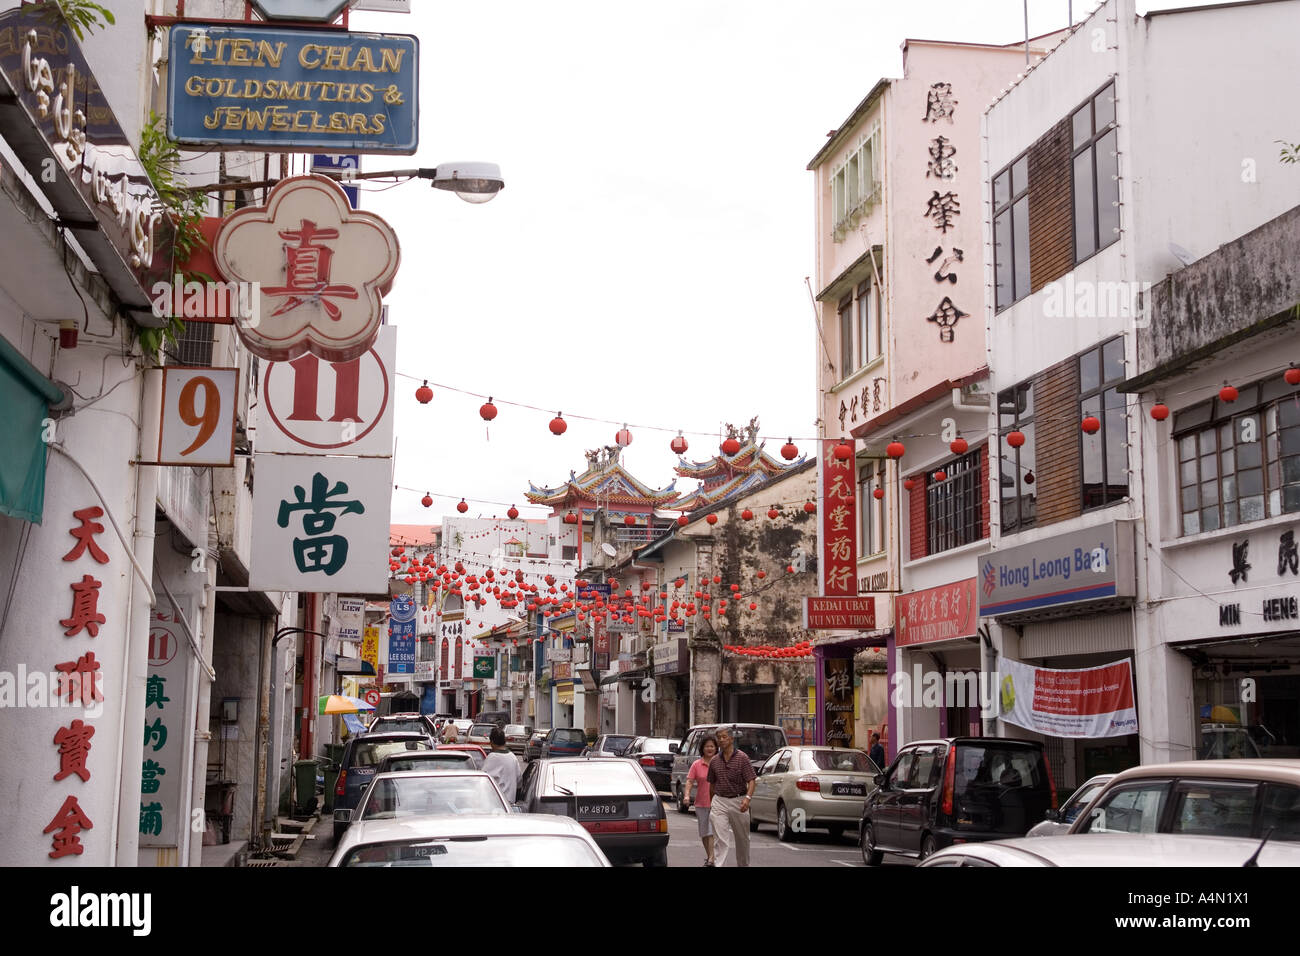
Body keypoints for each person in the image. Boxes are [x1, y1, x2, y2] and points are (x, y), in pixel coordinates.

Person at [707, 727, 756, 867]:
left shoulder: (742, 758)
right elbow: (711, 784)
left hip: (738, 801)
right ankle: (718, 865)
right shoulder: (715, 761)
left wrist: (747, 798)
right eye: (719, 738)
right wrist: (712, 803)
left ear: (731, 739)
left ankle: (743, 865)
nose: (721, 740)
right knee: (720, 839)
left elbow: (751, 780)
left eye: (724, 737)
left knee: (742, 840)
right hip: (719, 801)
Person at [683, 735, 718, 866]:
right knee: (704, 833)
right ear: (702, 748)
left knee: (710, 831)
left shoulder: (719, 763)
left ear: (716, 748)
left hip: (717, 803)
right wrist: (686, 795)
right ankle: (710, 857)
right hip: (701, 803)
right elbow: (690, 781)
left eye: (712, 746)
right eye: (707, 746)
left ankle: (711, 859)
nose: (709, 748)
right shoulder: (697, 764)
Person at [482, 726, 520, 803]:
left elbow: (483, 781)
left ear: (491, 742)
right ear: (504, 741)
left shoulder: (492, 757)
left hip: (496, 803)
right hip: (510, 804)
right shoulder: (513, 757)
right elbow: (519, 781)